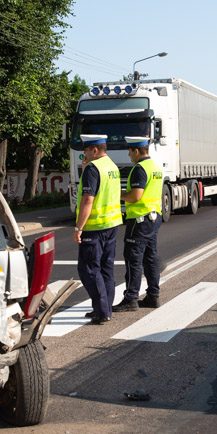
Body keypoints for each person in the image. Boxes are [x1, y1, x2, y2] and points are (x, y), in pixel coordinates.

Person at [74, 135, 122, 324]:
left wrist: (79, 227)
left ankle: (102, 312)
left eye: (85, 150)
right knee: (106, 269)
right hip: (111, 225)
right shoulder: (111, 166)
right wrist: (85, 169)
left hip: (94, 227)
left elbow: (88, 199)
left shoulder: (94, 169)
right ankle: (105, 308)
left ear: (94, 150)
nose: (83, 155)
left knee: (89, 270)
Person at [113, 137, 163, 312]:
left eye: (129, 151)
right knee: (150, 258)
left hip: (140, 219)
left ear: (136, 151)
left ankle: (131, 299)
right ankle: (153, 296)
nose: (128, 154)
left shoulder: (139, 169)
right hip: (154, 217)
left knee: (133, 259)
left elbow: (135, 196)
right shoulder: (155, 167)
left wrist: (117, 195)